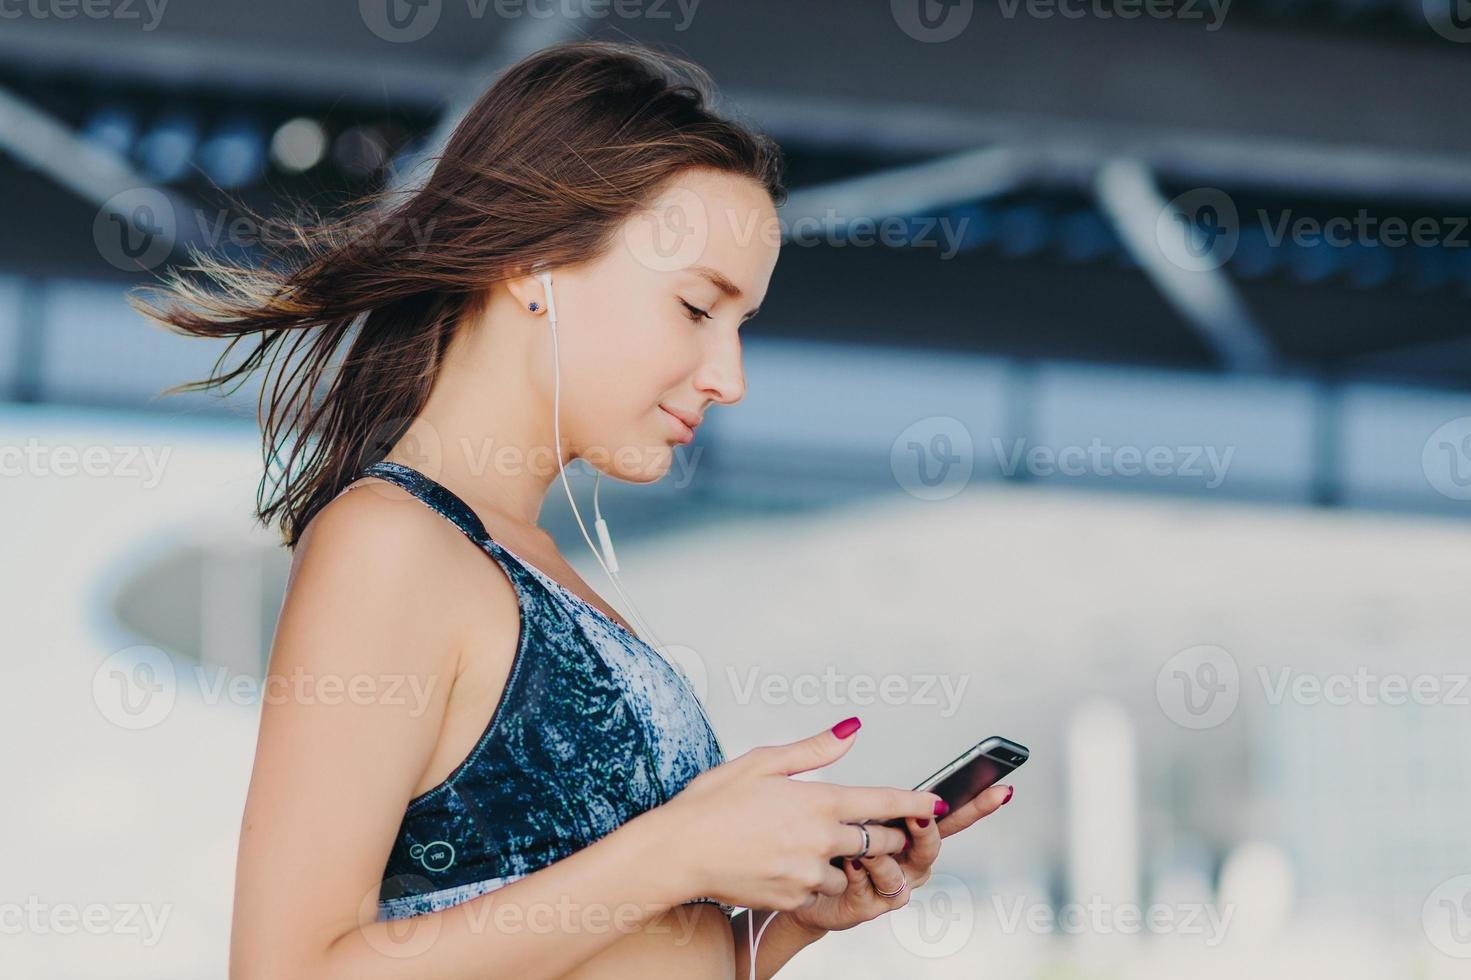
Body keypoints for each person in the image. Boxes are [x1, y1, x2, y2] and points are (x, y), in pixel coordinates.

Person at [131, 38, 1014, 980]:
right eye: (695, 309)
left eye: (740, 324)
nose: (730, 379)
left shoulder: (524, 562)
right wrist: (678, 850)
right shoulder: (392, 545)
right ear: (533, 263)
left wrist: (786, 922)